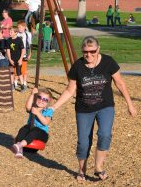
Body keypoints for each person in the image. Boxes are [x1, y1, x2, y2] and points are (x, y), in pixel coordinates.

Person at [51, 36, 137, 182]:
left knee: (105, 134)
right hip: (84, 109)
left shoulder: (108, 62)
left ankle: (98, 167)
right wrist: (53, 107)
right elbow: (69, 90)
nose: (89, 55)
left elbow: (120, 83)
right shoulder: (77, 66)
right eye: (85, 52)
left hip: (105, 106)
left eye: (92, 51)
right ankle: (81, 169)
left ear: (99, 49)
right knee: (83, 142)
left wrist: (130, 104)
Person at [11, 87, 54, 158]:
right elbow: (27, 107)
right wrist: (32, 94)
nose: (41, 100)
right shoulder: (33, 107)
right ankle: (19, 150)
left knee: (36, 130)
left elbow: (46, 122)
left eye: (45, 100)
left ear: (48, 103)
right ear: (36, 98)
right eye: (39, 97)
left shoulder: (48, 111)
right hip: (29, 134)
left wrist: (37, 113)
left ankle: (20, 145)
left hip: (42, 134)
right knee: (24, 128)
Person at [6, 27, 25, 91]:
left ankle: (22, 85)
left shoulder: (19, 40)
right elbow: (8, 51)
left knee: (19, 72)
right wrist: (10, 59)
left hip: (18, 59)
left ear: (16, 33)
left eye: (11, 32)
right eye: (9, 32)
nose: (10, 33)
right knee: (11, 72)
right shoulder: (8, 40)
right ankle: (12, 85)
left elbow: (23, 50)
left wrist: (20, 59)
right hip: (11, 59)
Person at [17, 20, 32, 92]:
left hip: (24, 54)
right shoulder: (16, 34)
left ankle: (24, 83)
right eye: (18, 27)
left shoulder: (27, 34)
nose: (19, 29)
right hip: (17, 54)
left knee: (23, 70)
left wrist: (30, 54)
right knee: (16, 69)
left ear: (24, 27)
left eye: (20, 27)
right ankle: (15, 83)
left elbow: (29, 45)